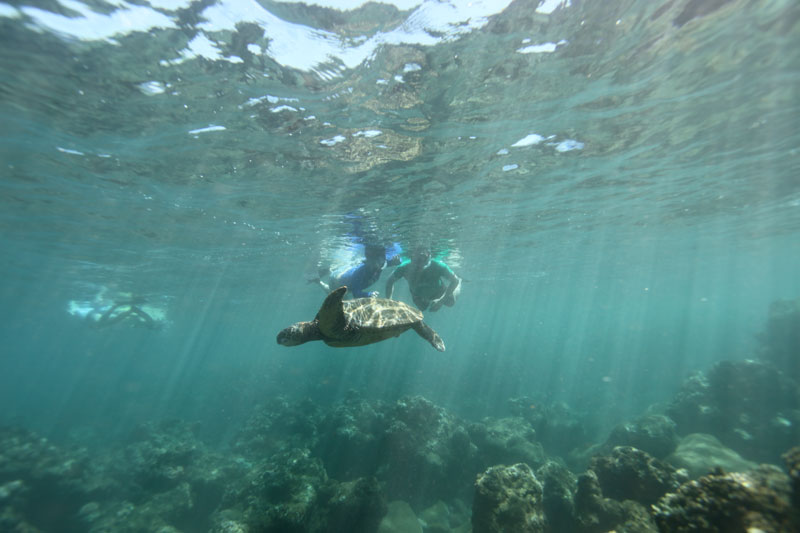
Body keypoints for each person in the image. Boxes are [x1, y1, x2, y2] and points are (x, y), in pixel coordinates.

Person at [385, 248, 461, 311]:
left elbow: (455, 281)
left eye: (422, 260)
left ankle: (459, 283)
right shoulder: (404, 267)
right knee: (422, 308)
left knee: (450, 302)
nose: (419, 266)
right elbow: (390, 281)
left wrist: (441, 301)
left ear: (429, 258)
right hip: (417, 294)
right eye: (416, 261)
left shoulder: (437, 265)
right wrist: (389, 302)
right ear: (412, 258)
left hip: (438, 291)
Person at [316, 244, 399, 298]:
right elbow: (356, 294)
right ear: (370, 261)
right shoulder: (361, 273)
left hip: (345, 276)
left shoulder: (381, 264)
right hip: (336, 282)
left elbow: (396, 261)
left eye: (382, 260)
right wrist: (369, 294)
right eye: (379, 261)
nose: (382, 263)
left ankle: (330, 271)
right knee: (340, 299)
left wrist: (396, 262)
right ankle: (320, 281)